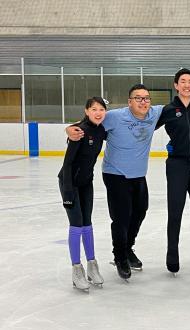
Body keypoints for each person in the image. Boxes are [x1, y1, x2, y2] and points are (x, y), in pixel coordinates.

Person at [67, 84, 163, 280]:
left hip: (138, 175)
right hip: (115, 174)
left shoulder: (154, 113)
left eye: (146, 98)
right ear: (130, 102)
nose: (143, 101)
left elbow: (176, 107)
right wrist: (69, 128)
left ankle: (127, 248)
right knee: (121, 217)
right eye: (138, 98)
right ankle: (119, 256)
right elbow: (89, 122)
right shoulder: (115, 116)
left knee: (140, 211)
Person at [156, 68, 190, 275]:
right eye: (183, 81)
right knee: (175, 212)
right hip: (177, 166)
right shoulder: (168, 110)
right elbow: (145, 126)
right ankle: (172, 254)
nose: (187, 85)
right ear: (176, 85)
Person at [59, 97, 107, 291]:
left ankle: (92, 266)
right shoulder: (79, 131)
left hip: (87, 184)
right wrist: (68, 192)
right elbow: (68, 164)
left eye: (101, 109)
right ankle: (76, 269)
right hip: (70, 183)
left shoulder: (101, 130)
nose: (98, 113)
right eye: (94, 109)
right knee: (76, 224)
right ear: (86, 111)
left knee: (87, 224)